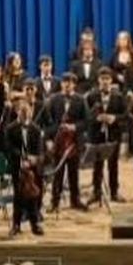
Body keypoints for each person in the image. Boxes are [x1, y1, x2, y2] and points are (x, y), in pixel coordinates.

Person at [41, 74, 88, 212]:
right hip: (58, 142)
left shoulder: (80, 100)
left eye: (70, 82)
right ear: (61, 84)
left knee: (74, 173)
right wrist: (48, 140)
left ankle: (75, 200)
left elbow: (87, 121)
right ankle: (54, 202)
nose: (67, 85)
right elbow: (47, 122)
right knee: (58, 174)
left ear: (74, 85)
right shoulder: (54, 99)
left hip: (73, 142)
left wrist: (74, 127)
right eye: (65, 82)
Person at [87, 69, 128, 204]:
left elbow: (125, 116)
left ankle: (114, 192)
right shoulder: (91, 96)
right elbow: (86, 115)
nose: (105, 81)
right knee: (97, 165)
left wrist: (114, 118)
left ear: (111, 80)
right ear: (98, 80)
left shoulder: (119, 96)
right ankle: (96, 192)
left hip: (113, 134)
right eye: (102, 78)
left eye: (107, 79)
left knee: (113, 164)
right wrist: (96, 118)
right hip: (96, 134)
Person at [5, 99, 45, 236]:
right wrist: (22, 158)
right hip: (17, 166)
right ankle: (16, 224)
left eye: (27, 112)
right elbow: (9, 148)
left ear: (30, 113)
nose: (24, 115)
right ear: (17, 112)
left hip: (32, 167)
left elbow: (39, 149)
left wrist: (33, 159)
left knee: (33, 196)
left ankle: (35, 224)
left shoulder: (36, 129)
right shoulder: (10, 129)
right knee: (18, 196)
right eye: (22, 112)